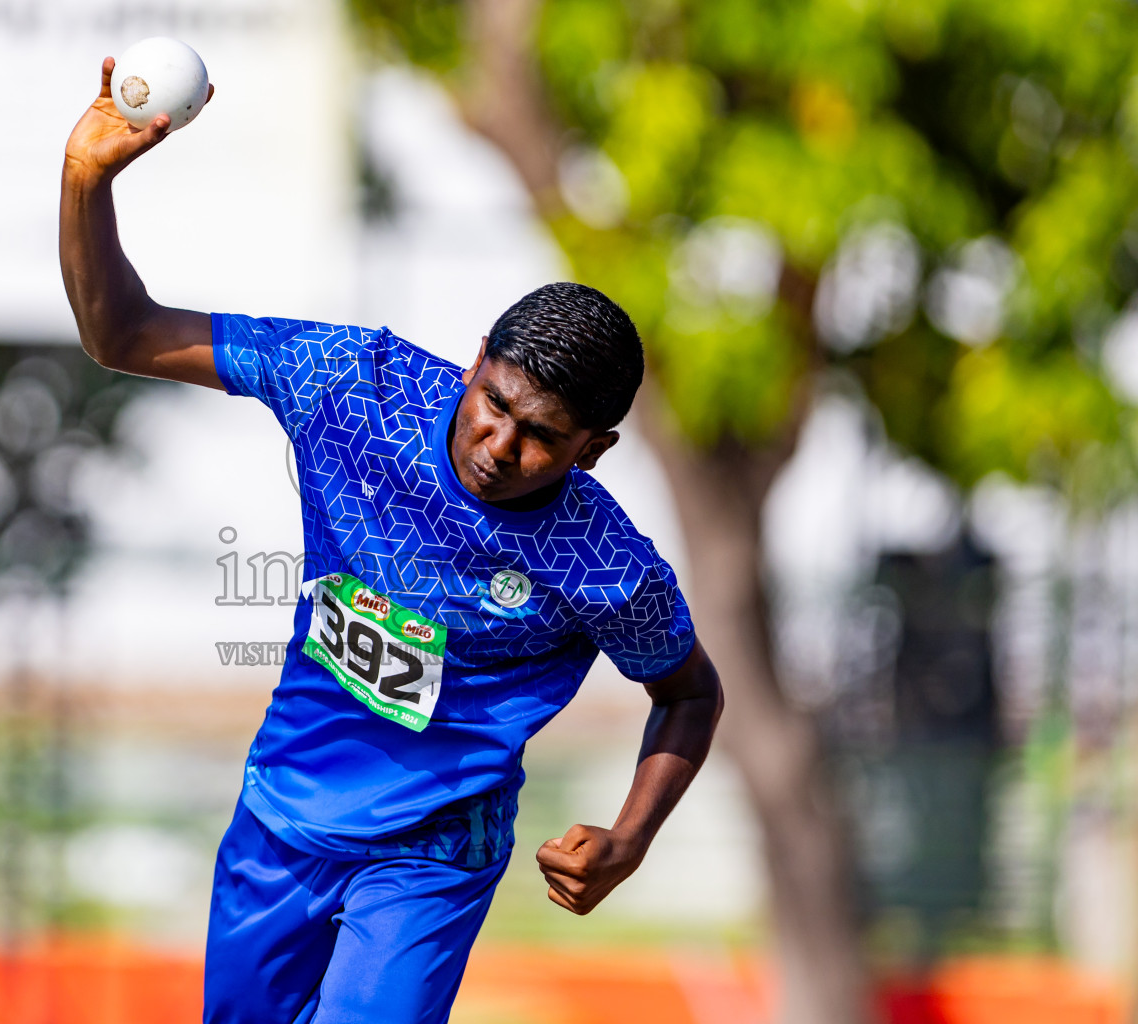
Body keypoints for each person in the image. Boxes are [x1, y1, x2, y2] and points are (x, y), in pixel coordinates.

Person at [60, 57, 723, 1024]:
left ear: (597, 449)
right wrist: (87, 180)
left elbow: (691, 691)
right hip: (285, 814)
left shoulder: (605, 565)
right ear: (474, 365)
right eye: (494, 403)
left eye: (542, 436)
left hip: (433, 850)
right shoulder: (352, 387)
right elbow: (120, 334)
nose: (502, 446)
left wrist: (630, 837)